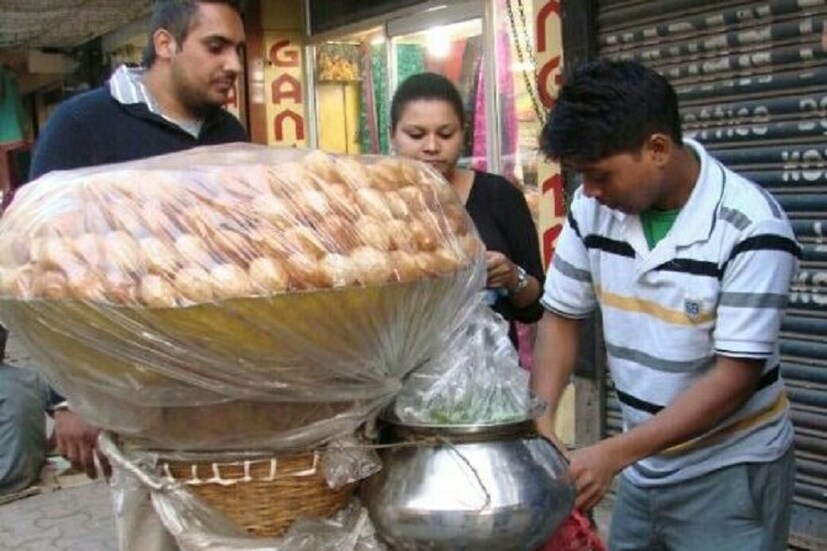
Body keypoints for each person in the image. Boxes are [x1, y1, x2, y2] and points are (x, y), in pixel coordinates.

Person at [533, 59, 799, 550]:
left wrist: (614, 453)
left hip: (730, 471)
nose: (588, 190)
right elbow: (562, 316)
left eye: (600, 175)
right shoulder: (593, 208)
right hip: (645, 466)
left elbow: (735, 377)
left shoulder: (752, 228)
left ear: (656, 148)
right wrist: (543, 419)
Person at [23, 0, 246, 491]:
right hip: (128, 394)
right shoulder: (82, 126)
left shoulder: (229, 135)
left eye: (237, 50)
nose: (233, 64)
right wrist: (67, 396)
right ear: (165, 44)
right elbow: (44, 265)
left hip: (221, 389)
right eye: (216, 47)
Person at [389, 72, 544, 349]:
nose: (432, 147)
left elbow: (535, 307)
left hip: (488, 377)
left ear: (464, 134)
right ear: (393, 136)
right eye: (416, 134)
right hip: (402, 378)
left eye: (446, 134)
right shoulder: (375, 204)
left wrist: (511, 276)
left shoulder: (499, 196)